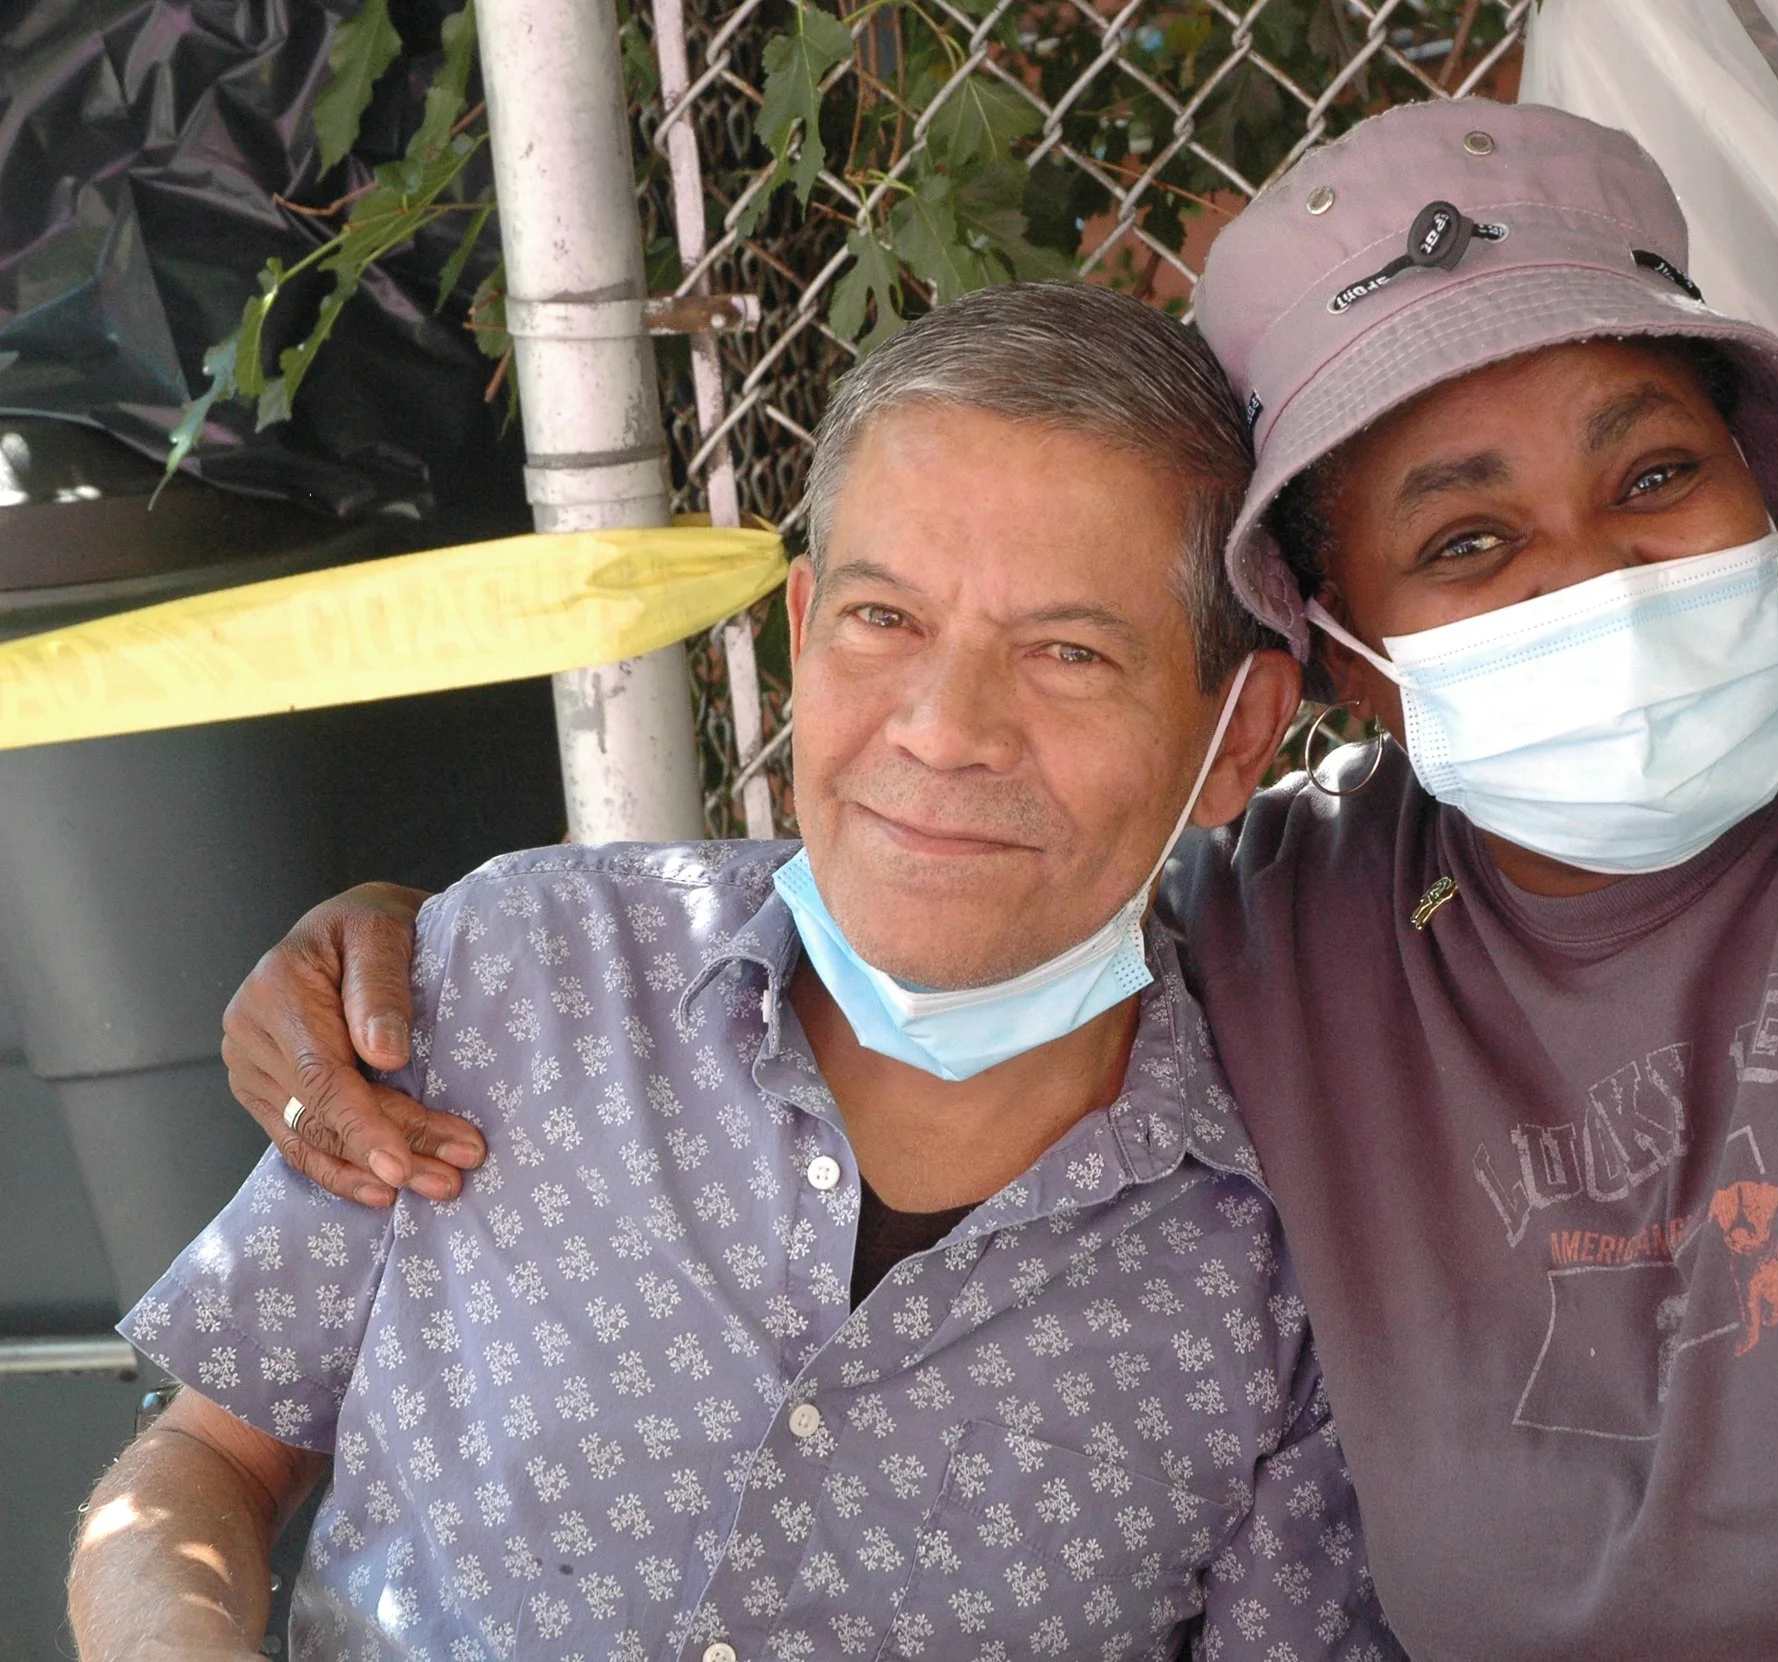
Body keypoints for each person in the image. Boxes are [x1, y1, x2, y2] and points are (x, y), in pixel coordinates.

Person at [218, 4, 1778, 1651]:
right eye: (1467, 540)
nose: (1595, 576)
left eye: (1653, 471)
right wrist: (411, 952)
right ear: (1337, 667)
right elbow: (934, 872)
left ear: (1759, 477)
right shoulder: (1294, 925)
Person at [66, 284, 1399, 1662]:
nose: (944, 729)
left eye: (1068, 653)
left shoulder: (1281, 1271)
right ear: (805, 626)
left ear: (1239, 734)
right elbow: (212, 1455)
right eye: (885, 619)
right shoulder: (518, 972)